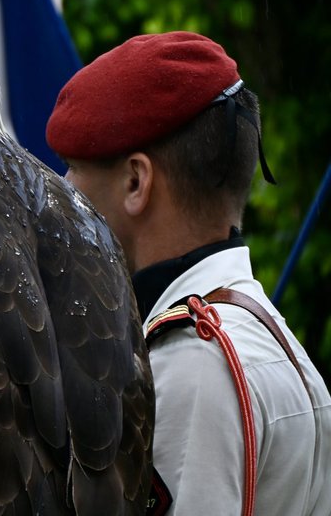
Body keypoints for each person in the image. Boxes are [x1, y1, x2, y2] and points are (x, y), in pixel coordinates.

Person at [45, 31, 331, 516]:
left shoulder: (193, 365)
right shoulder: (270, 340)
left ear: (136, 181)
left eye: (73, 168)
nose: (63, 191)